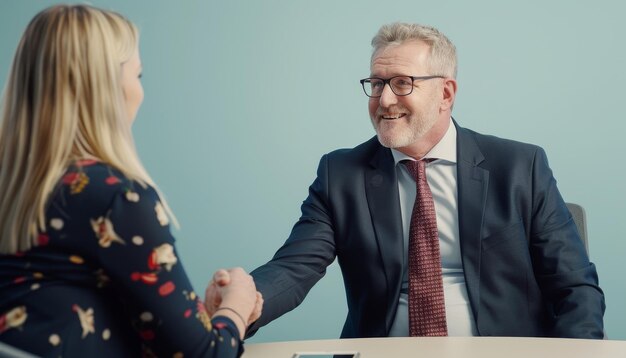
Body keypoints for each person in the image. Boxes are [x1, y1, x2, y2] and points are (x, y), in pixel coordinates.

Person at [208, 22, 605, 339]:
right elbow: (294, 267)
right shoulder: (341, 174)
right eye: (377, 84)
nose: (383, 100)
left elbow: (575, 288)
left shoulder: (520, 166)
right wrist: (243, 304)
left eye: (402, 83)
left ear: (446, 93)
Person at [0, 5, 261, 357]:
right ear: (105, 87)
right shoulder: (116, 196)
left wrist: (198, 318)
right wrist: (237, 306)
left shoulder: (16, 189)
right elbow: (207, 355)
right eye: (137, 76)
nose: (139, 91)